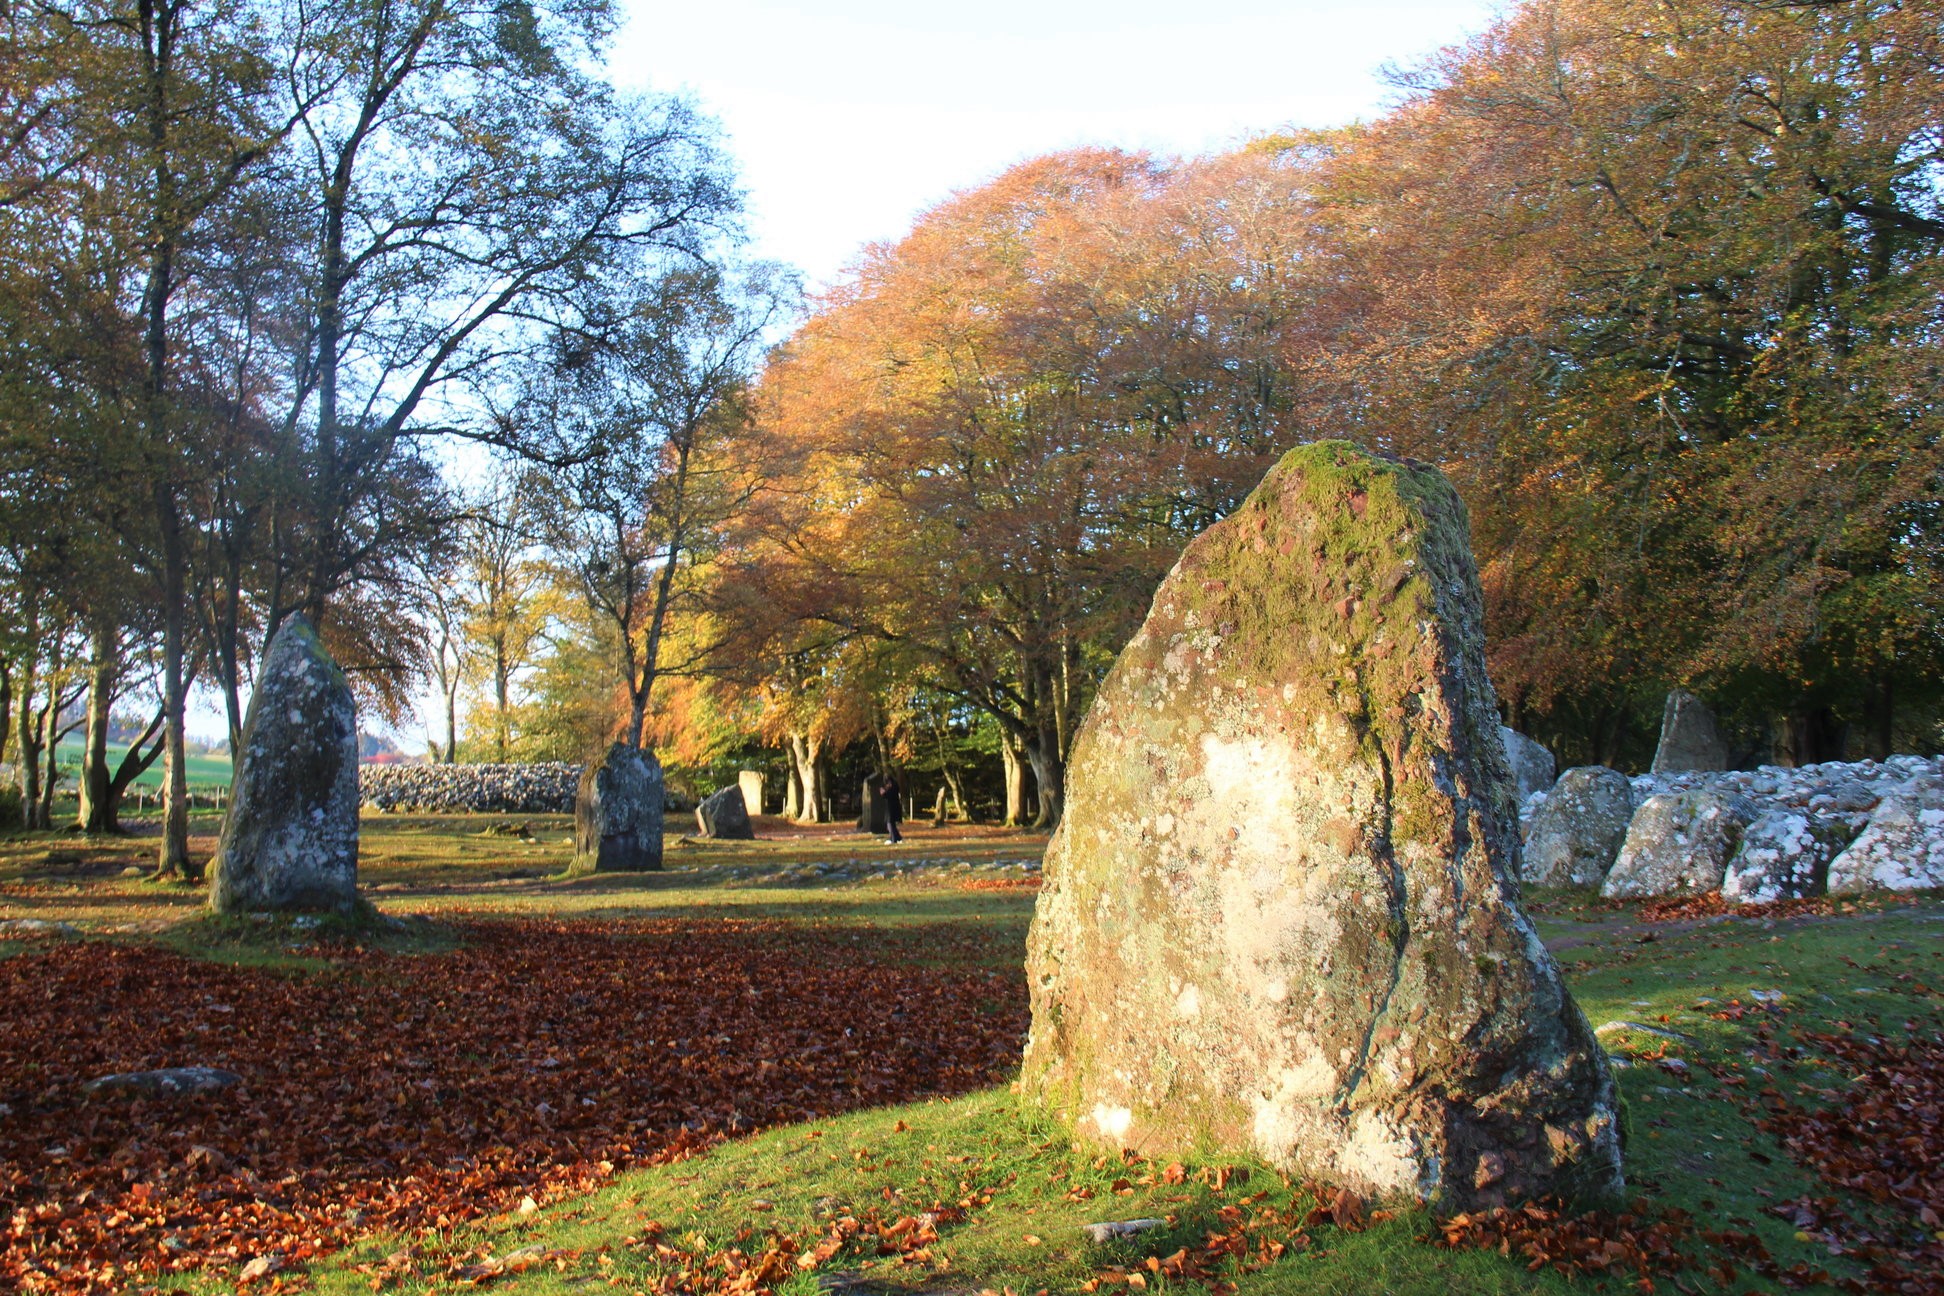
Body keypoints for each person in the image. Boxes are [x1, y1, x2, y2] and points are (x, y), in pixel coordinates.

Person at [877, 771, 903, 844]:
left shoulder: (893, 786)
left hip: (892, 807)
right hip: (892, 806)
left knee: (890, 824)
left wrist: (883, 793)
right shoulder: (893, 785)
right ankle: (898, 837)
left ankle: (894, 838)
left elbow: (889, 795)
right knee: (891, 824)